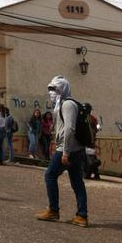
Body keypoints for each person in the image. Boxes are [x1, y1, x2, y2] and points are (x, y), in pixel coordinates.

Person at [37, 75, 88, 227]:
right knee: (77, 182)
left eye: (54, 89)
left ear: (62, 89)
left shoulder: (67, 104)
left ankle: (53, 211)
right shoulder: (63, 105)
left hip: (69, 150)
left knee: (50, 175)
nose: (51, 92)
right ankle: (81, 216)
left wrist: (65, 152)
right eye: (50, 89)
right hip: (75, 149)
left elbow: (70, 129)